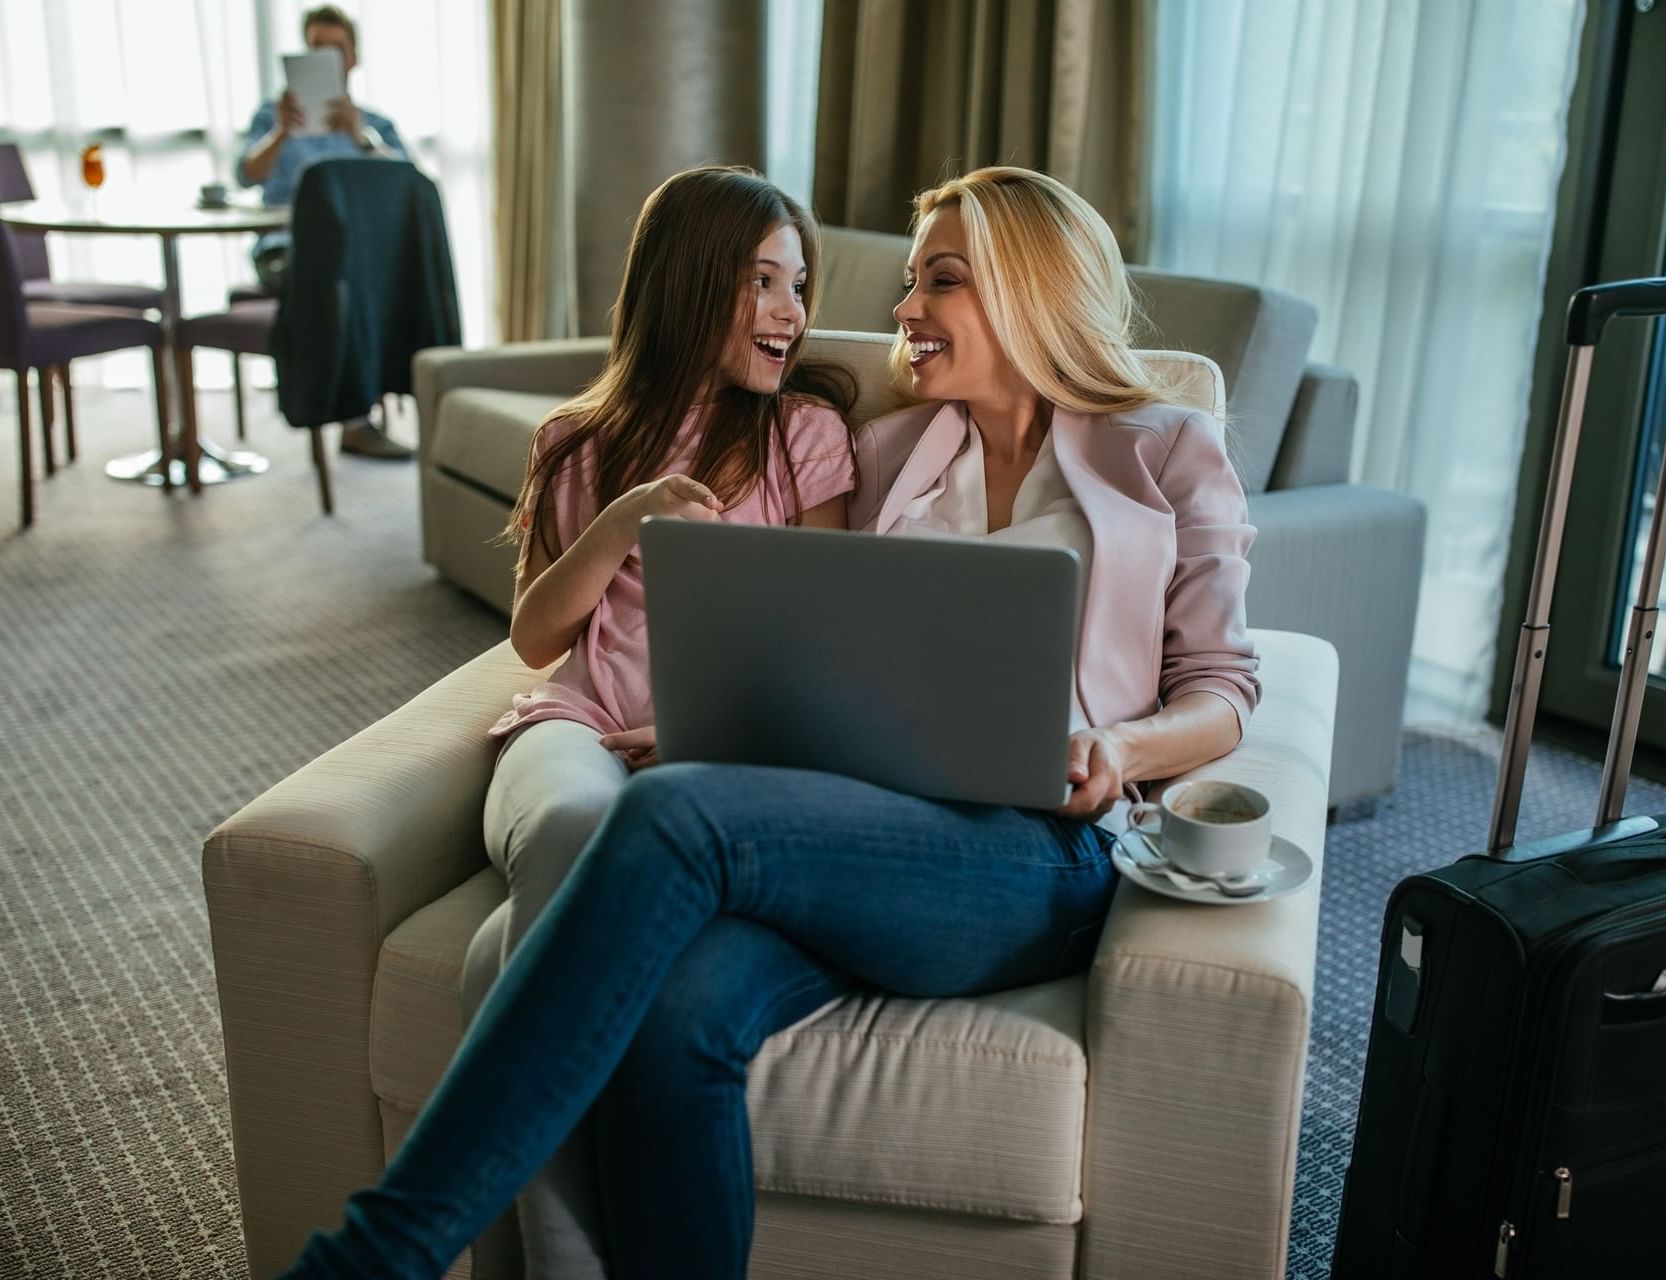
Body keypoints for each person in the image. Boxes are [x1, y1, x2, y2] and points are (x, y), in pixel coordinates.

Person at [279, 166, 1260, 1280]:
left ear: (1027, 291)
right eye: (907, 282)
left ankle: (376, 1252)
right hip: (862, 829)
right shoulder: (894, 451)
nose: (901, 311)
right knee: (673, 1013)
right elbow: (807, 646)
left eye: (939, 281)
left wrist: (1121, 746)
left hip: (1038, 849)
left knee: (676, 809)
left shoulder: (1167, 447)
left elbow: (1223, 687)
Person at [469, 162, 857, 1276]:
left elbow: (821, 637)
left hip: (714, 754)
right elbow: (537, 637)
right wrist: (628, 515)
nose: (792, 311)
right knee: (563, 830)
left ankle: (548, 1256)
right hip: (576, 727)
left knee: (494, 965)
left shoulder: (805, 438)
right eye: (764, 282)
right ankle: (566, 1259)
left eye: (799, 284)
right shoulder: (576, 443)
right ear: (690, 284)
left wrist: (702, 726)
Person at [235, 4, 412, 458]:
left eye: (335, 48)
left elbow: (410, 185)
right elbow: (246, 175)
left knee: (377, 277)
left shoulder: (373, 125)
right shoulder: (271, 117)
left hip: (359, 257)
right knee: (333, 278)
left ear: (353, 58)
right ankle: (351, 418)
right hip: (284, 253)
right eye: (315, 48)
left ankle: (404, 398)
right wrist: (280, 133)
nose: (325, 56)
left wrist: (360, 137)